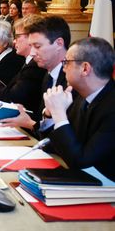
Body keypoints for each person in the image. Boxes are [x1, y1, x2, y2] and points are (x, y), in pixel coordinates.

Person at [44, 37, 115, 181]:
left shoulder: (112, 106)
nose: (63, 68)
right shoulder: (79, 96)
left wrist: (59, 114)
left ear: (85, 68)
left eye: (66, 62)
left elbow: (82, 163)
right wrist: (50, 114)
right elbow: (53, 146)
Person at [0, 16, 72, 137]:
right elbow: (43, 119)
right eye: (31, 46)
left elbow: (65, 132)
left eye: (37, 46)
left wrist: (31, 124)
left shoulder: (72, 80)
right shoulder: (48, 74)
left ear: (59, 43)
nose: (32, 53)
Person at [0, 15, 47, 118]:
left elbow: (12, 98)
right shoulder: (27, 62)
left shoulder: (34, 66)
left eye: (17, 36)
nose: (14, 41)